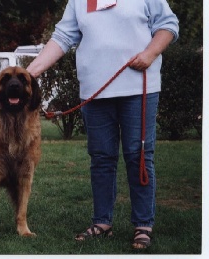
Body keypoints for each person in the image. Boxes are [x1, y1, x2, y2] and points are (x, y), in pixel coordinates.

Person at [27, 0, 179, 249]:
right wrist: (28, 73)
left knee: (138, 154)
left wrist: (150, 54)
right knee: (101, 157)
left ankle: (143, 225)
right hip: (94, 91)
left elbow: (168, 25)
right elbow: (63, 36)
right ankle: (102, 222)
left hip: (138, 87)